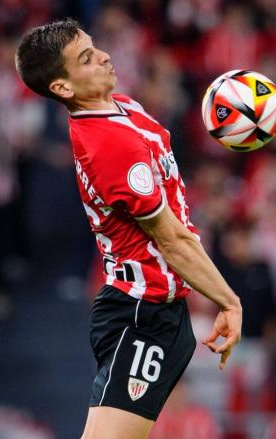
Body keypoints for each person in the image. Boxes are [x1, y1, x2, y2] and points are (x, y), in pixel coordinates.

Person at [15, 19, 242, 439]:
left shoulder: (124, 107)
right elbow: (170, 240)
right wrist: (228, 301)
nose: (103, 56)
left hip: (165, 311)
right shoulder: (107, 145)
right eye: (86, 58)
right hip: (139, 312)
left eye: (94, 46)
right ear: (63, 87)